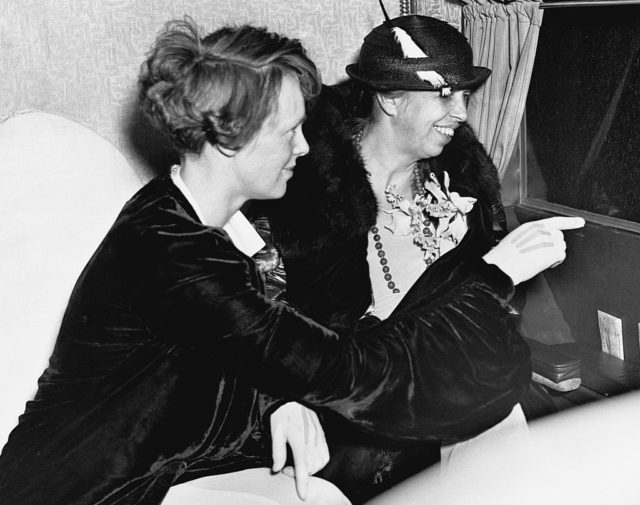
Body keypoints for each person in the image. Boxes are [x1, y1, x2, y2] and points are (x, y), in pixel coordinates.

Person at [0, 15, 578, 505]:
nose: (306, 147)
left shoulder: (194, 218)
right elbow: (351, 371)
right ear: (233, 139)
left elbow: (236, 349)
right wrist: (492, 274)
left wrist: (276, 400)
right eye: (290, 131)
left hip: (169, 463)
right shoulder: (172, 255)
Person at [263, 12, 585, 504]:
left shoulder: (463, 190)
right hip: (358, 417)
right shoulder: (300, 194)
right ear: (390, 98)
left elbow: (482, 325)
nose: (461, 111)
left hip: (466, 401)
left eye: (466, 96)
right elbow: (260, 326)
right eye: (444, 94)